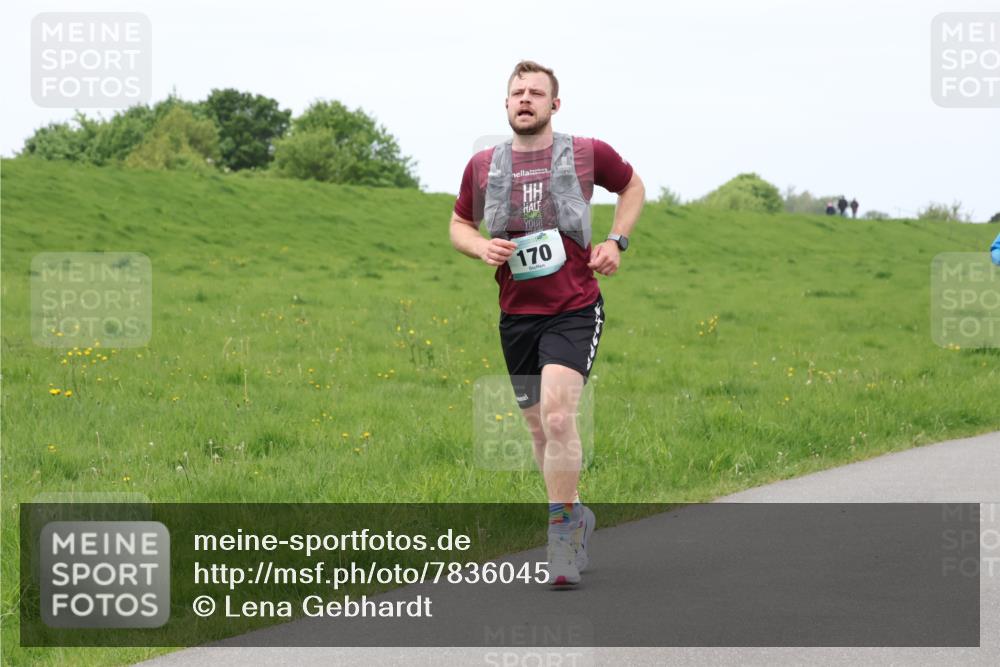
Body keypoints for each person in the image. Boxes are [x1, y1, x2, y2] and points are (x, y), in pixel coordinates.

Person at [449, 60, 644, 587]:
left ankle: (560, 538)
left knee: (558, 419)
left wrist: (615, 241)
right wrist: (478, 246)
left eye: (537, 92)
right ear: (506, 104)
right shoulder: (483, 165)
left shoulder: (587, 153)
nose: (526, 99)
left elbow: (632, 187)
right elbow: (459, 223)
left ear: (554, 104)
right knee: (539, 428)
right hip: (516, 316)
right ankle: (575, 512)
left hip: (574, 307)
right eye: (517, 92)